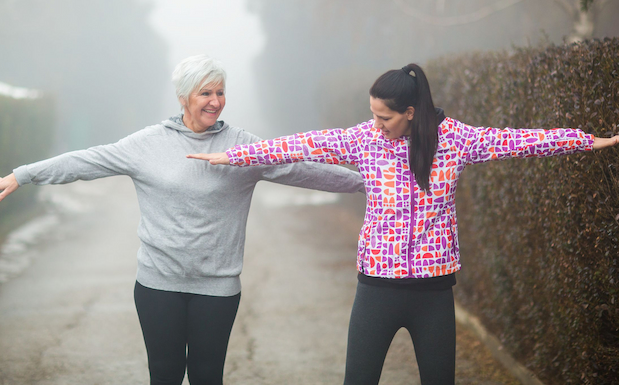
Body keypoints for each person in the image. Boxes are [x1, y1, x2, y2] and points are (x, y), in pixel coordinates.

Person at [188, 63, 619, 385]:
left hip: (433, 291)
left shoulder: (456, 140)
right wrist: (228, 156)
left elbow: (520, 140)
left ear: (411, 112)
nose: (376, 125)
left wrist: (586, 141)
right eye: (372, 115)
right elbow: (298, 145)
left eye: (384, 117)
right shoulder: (363, 139)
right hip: (376, 287)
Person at [0, 55, 365, 385]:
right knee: (164, 374)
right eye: (205, 93)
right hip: (158, 283)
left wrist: (369, 183)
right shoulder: (147, 144)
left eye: (220, 92)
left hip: (218, 285)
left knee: (207, 376)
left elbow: (301, 170)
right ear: (183, 97)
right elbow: (86, 161)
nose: (215, 102)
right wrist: (22, 175)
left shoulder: (242, 147)